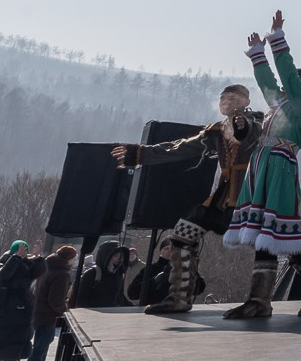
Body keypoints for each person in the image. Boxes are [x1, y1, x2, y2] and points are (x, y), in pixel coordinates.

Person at [223, 11, 301, 319]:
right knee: (276, 232)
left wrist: (277, 40)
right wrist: (257, 54)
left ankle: (266, 299)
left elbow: (286, 75)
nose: (285, 89)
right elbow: (269, 84)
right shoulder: (285, 105)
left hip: (279, 166)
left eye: (293, 85)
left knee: (278, 230)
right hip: (266, 165)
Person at [112, 83, 265, 315]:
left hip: (251, 196)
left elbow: (248, 133)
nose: (226, 102)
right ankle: (179, 298)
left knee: (274, 242)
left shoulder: (258, 125)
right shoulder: (216, 131)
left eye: (233, 98)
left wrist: (243, 126)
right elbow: (179, 148)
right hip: (223, 199)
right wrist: (140, 154)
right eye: (223, 98)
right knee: (183, 233)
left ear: (246, 102)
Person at [15, 246, 76, 361]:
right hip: (48, 315)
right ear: (68, 259)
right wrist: (65, 312)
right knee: (40, 347)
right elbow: (55, 300)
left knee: (40, 345)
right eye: (74, 258)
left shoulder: (46, 268)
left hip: (38, 311)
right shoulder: (61, 274)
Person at [127, 239, 207, 307]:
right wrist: (154, 281)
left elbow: (200, 289)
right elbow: (132, 293)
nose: (170, 251)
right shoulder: (150, 269)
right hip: (154, 312)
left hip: (179, 312)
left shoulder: (185, 267)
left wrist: (190, 276)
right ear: (160, 251)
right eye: (166, 248)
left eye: (173, 248)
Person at [72, 240, 134, 309]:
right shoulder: (92, 273)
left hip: (111, 313)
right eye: (115, 256)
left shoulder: (118, 274)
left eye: (121, 256)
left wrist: (134, 308)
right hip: (94, 314)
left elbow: (119, 296)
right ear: (106, 256)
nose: (119, 259)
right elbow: (81, 299)